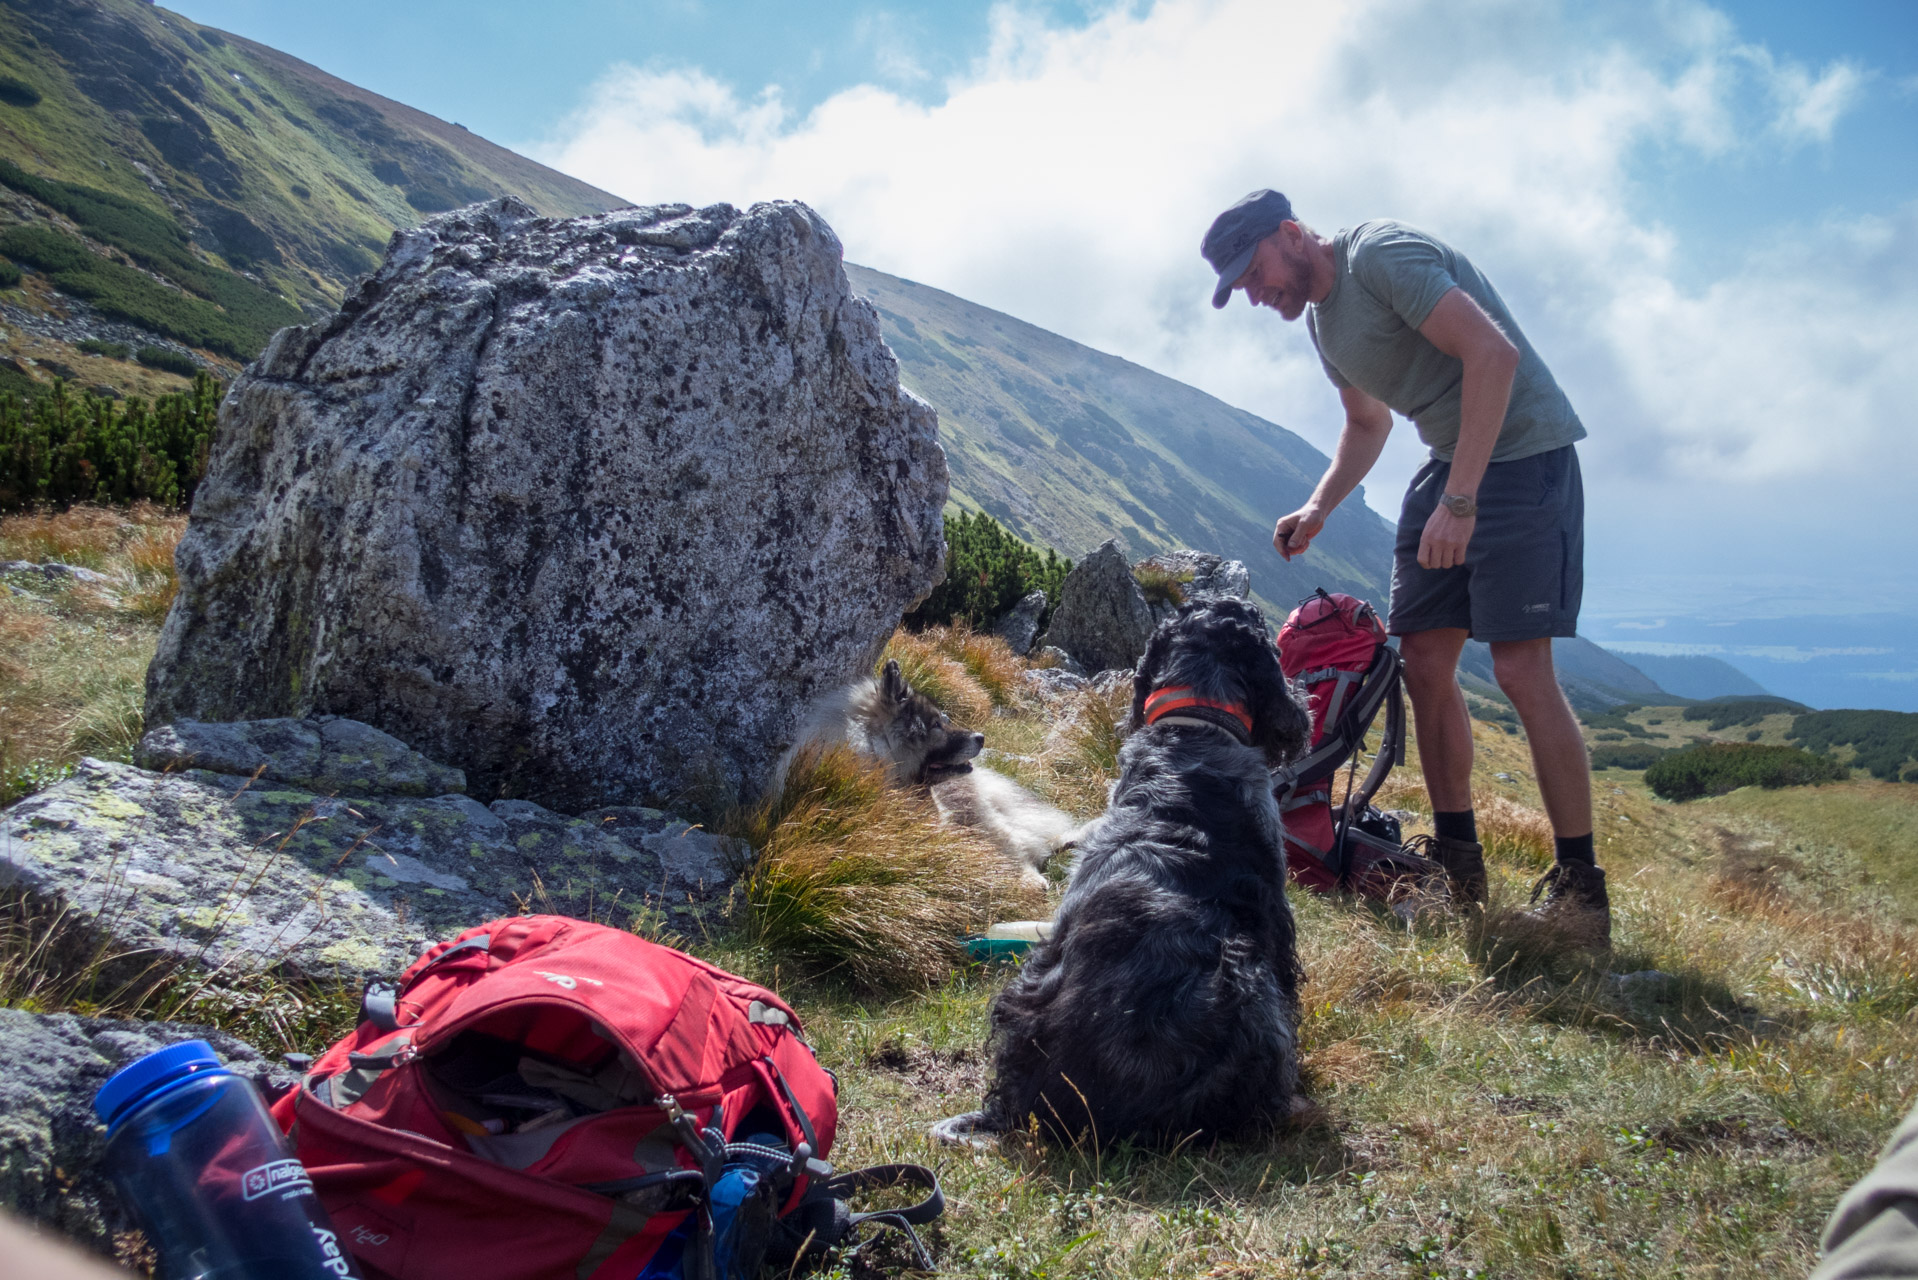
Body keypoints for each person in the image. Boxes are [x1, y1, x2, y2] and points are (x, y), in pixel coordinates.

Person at [1201, 189, 1608, 945]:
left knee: (1521, 670)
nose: (1256, 296)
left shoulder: (1380, 255)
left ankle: (1581, 895)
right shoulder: (1325, 326)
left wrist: (1462, 499)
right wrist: (1320, 508)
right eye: (1242, 289)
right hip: (1450, 462)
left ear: (1292, 234)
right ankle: (1461, 873)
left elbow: (1495, 354)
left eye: (1254, 273)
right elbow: (1367, 422)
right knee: (1422, 662)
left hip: (1524, 456)